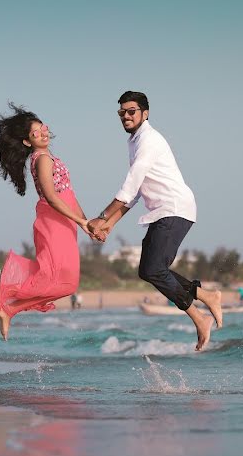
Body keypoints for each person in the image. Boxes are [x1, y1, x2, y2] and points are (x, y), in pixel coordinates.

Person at [87, 91, 223, 351]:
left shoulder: (148, 140)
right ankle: (207, 296)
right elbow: (137, 192)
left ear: (144, 113)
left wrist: (102, 217)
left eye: (131, 111)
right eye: (121, 113)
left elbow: (132, 182)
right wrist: (110, 224)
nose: (125, 116)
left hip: (173, 208)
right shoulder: (134, 141)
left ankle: (199, 317)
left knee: (154, 270)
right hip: (163, 210)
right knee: (147, 270)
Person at [0, 103, 96, 340]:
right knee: (56, 280)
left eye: (42, 128)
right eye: (35, 133)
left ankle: (9, 308)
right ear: (27, 142)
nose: (42, 133)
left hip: (63, 221)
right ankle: (4, 291)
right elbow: (53, 198)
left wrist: (87, 224)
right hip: (54, 220)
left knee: (67, 283)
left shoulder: (48, 156)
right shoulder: (41, 158)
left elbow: (68, 194)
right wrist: (82, 223)